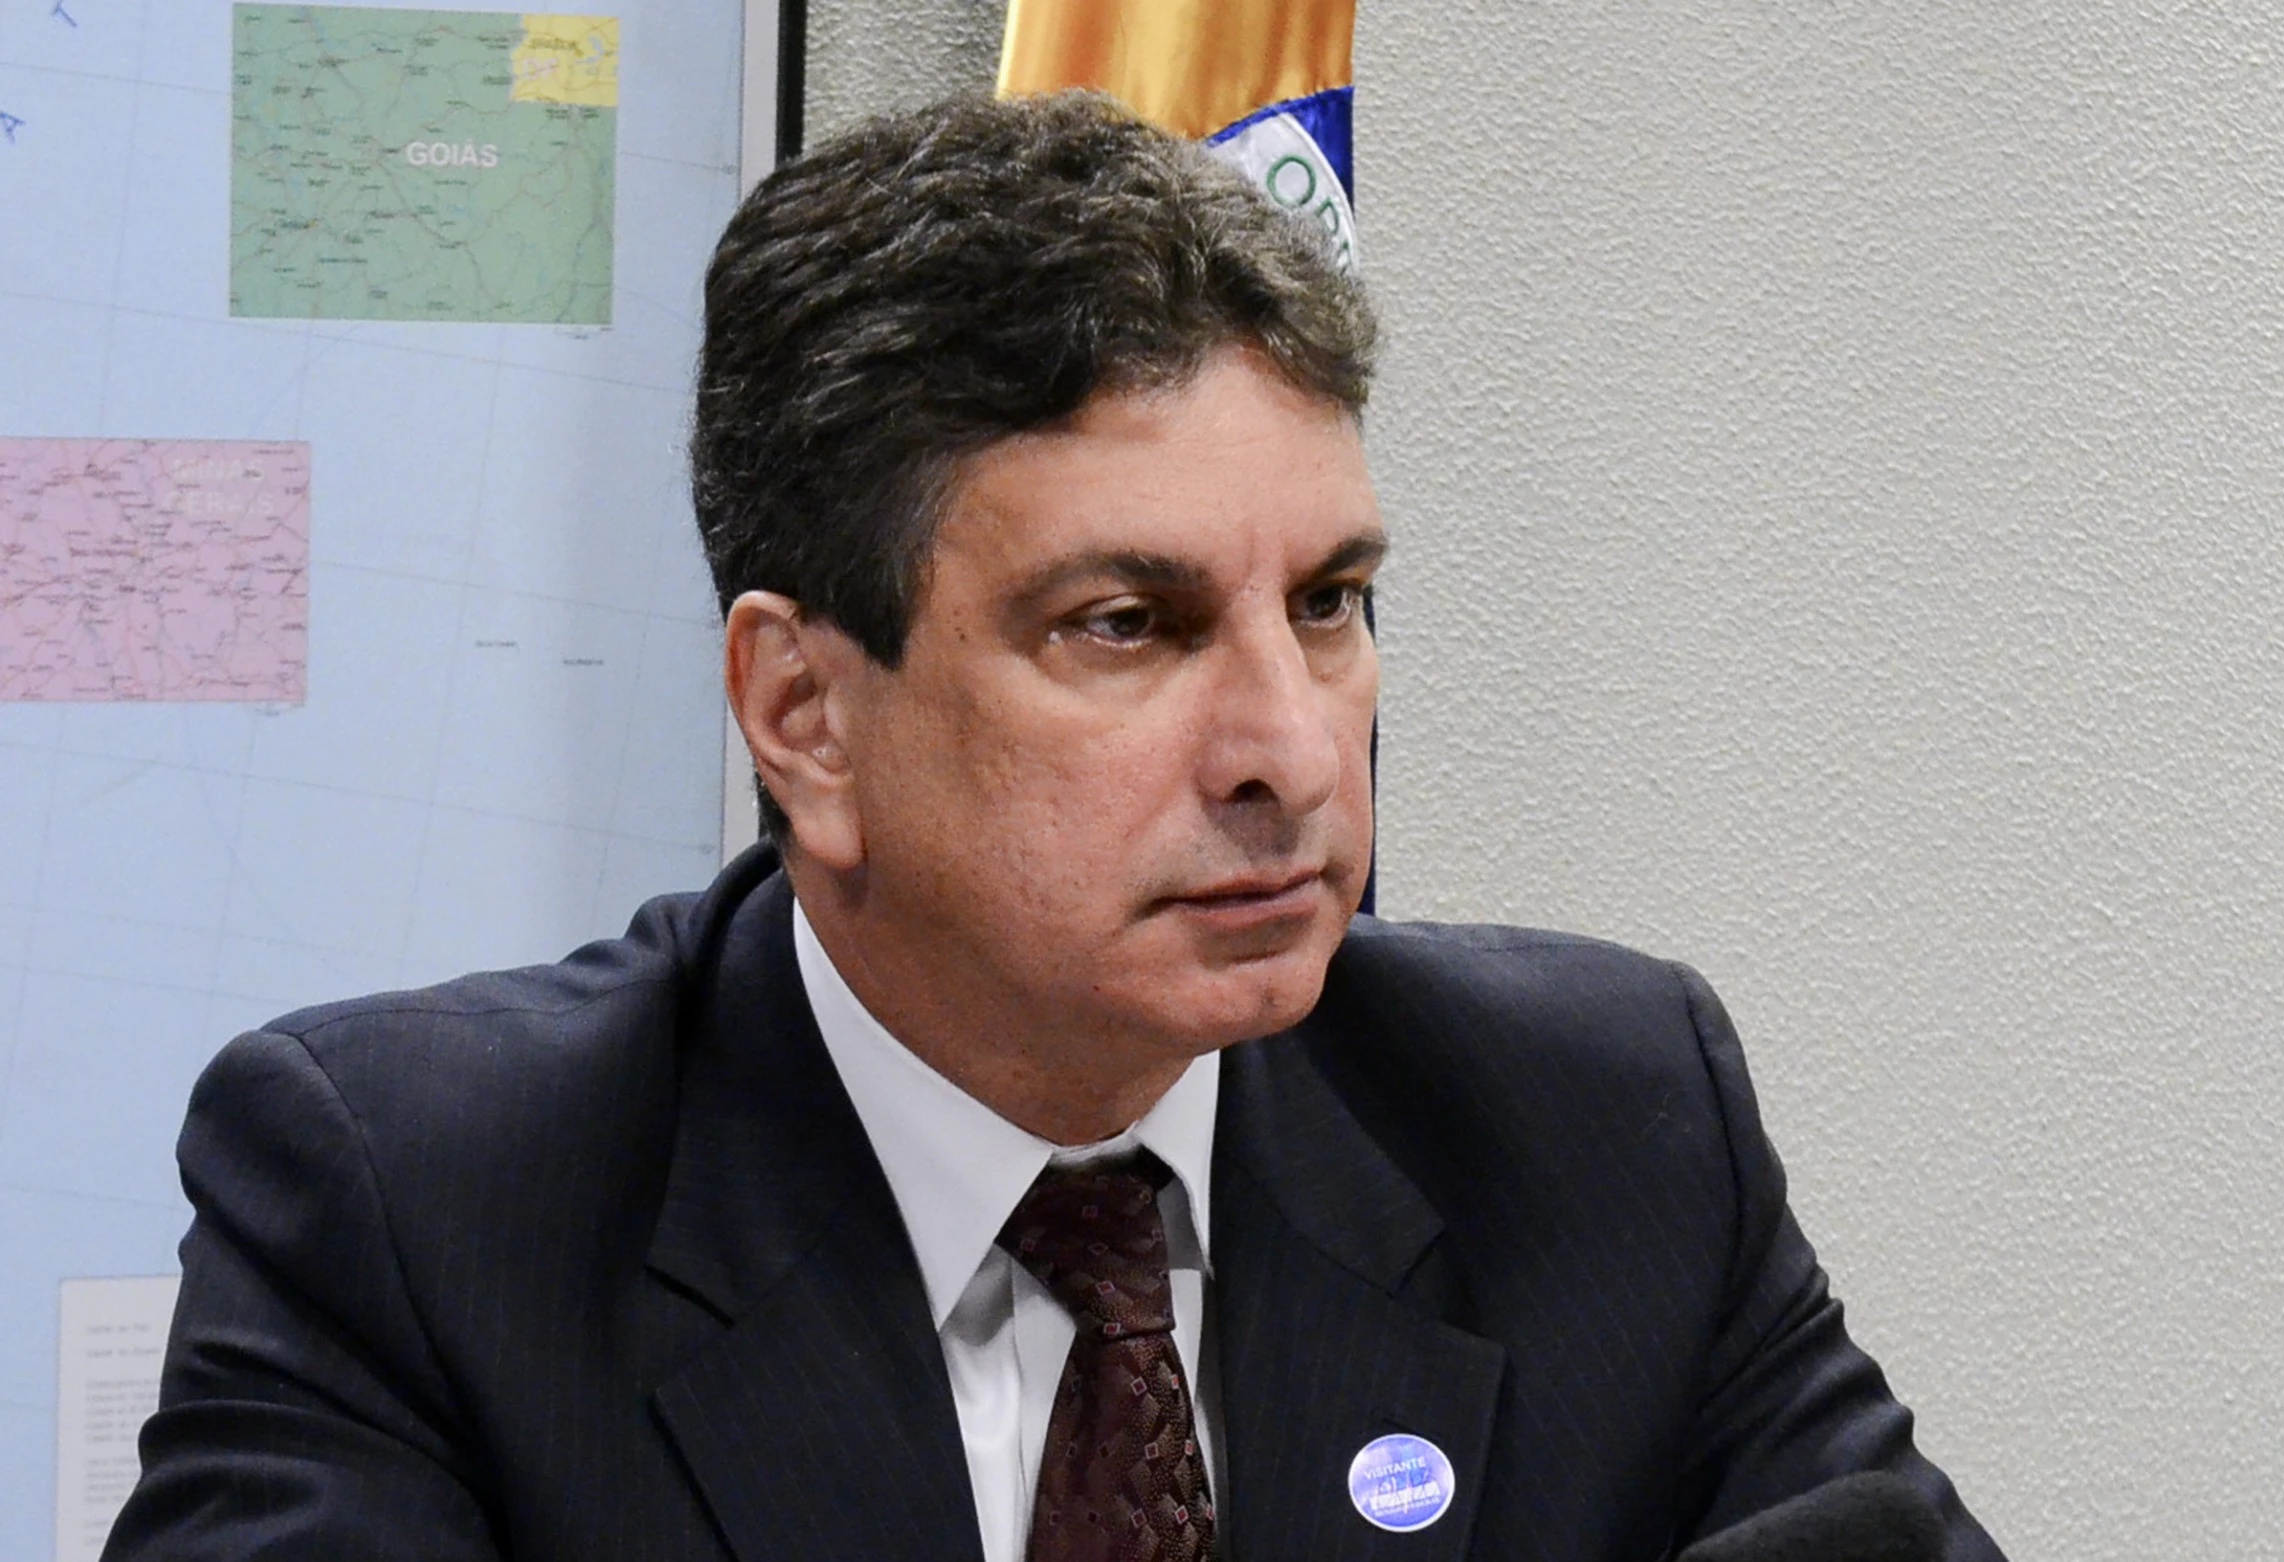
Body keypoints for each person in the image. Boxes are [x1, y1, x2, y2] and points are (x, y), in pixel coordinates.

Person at [105, 93, 2005, 1562]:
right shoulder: (423, 1211)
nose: (1289, 749)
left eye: (1329, 601)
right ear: (805, 715)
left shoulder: (1598, 1125)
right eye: (1129, 624)